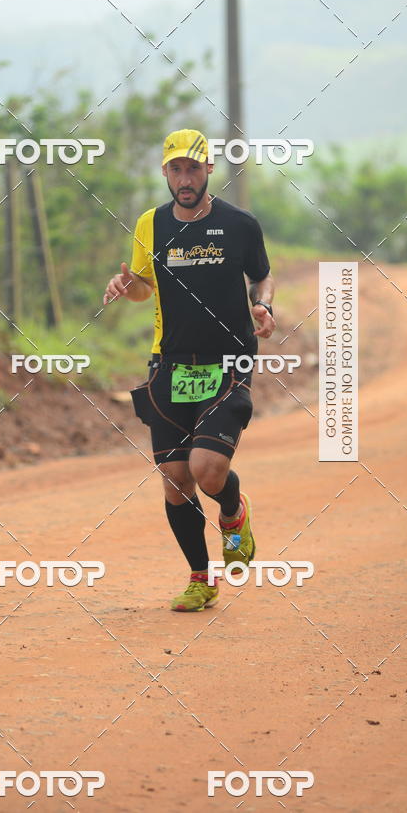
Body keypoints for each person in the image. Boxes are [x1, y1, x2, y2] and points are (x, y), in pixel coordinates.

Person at [103, 129, 275, 611]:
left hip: (229, 361)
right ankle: (201, 579)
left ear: (208, 171)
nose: (185, 178)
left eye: (193, 169)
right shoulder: (149, 225)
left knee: (208, 472)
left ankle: (234, 512)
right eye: (176, 169)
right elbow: (143, 288)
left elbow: (262, 274)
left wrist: (261, 306)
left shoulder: (240, 224)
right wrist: (125, 286)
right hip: (170, 365)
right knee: (177, 479)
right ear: (164, 172)